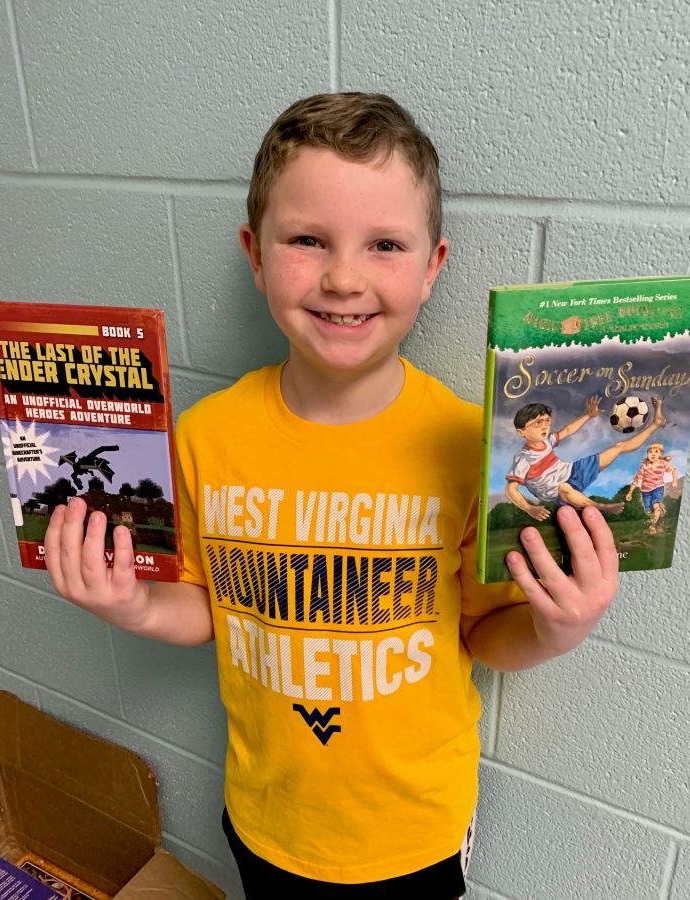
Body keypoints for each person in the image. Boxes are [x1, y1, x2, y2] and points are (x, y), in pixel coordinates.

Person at [43, 93, 619, 900]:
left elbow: (485, 632)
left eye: (384, 244)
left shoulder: (469, 450)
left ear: (432, 267)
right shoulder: (206, 437)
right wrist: (130, 607)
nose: (343, 278)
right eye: (307, 240)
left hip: (411, 835)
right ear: (255, 253)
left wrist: (561, 626)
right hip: (264, 819)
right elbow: (207, 605)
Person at [505, 396, 666, 519]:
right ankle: (599, 506)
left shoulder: (548, 441)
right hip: (557, 491)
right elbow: (510, 489)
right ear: (521, 432)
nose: (545, 426)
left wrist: (588, 416)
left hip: (574, 471)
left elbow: (567, 430)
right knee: (564, 487)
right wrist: (530, 509)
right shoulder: (523, 458)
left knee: (618, 448)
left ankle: (656, 424)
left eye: (547, 421)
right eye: (538, 423)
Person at [626, 441, 678, 533]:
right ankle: (656, 509)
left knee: (656, 505)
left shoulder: (663, 463)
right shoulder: (644, 467)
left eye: (656, 451)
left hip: (658, 487)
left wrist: (674, 481)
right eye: (650, 452)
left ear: (661, 454)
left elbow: (674, 470)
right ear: (647, 454)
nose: (653, 454)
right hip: (646, 491)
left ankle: (653, 526)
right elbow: (636, 480)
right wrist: (630, 492)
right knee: (649, 511)